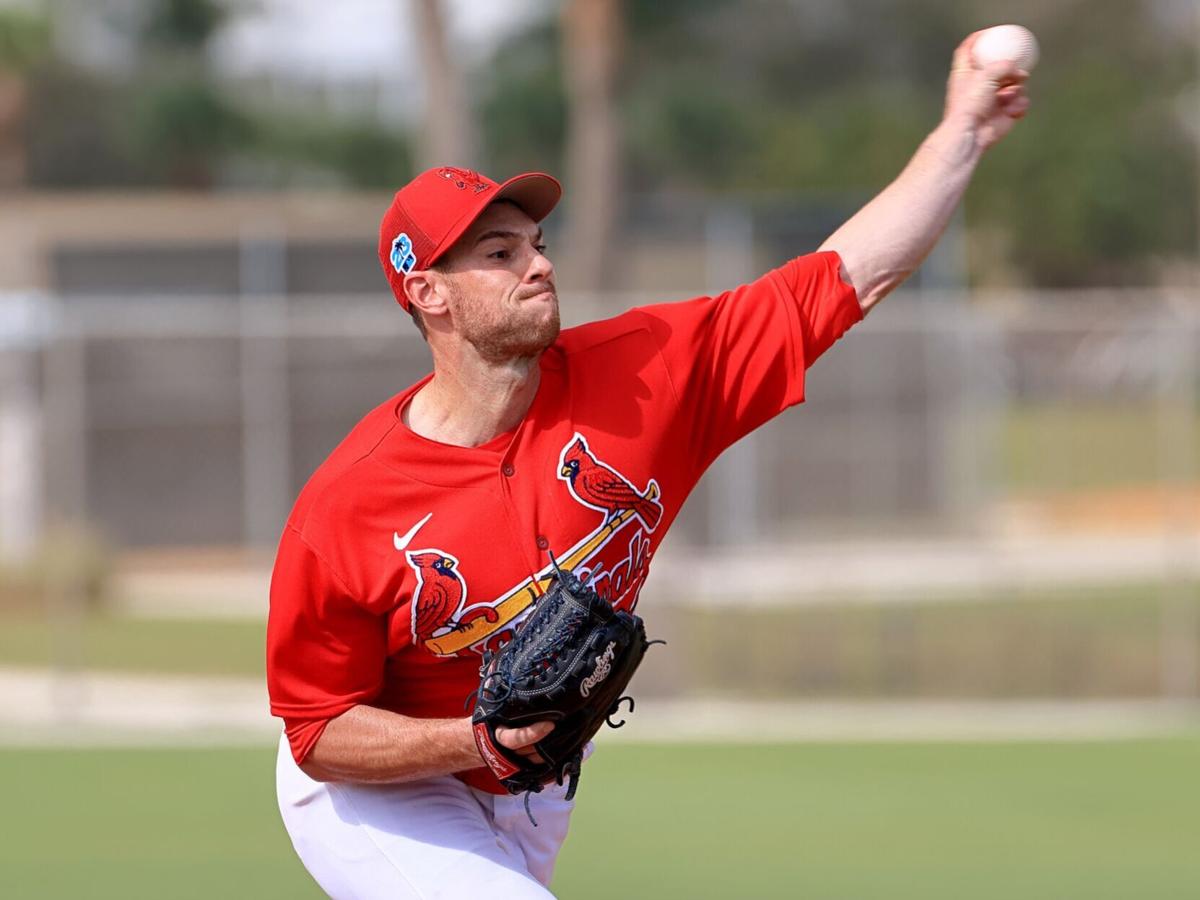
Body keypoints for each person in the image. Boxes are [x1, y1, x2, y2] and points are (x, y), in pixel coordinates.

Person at [267, 32, 1029, 899]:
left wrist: (962, 130)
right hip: (381, 792)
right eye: (498, 254)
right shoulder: (350, 505)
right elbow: (317, 729)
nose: (539, 265)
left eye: (535, 241)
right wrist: (472, 741)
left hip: (536, 790)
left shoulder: (642, 374)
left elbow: (848, 276)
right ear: (427, 291)